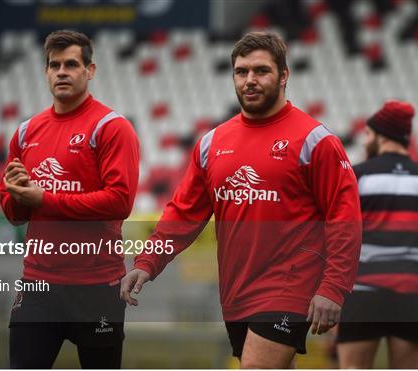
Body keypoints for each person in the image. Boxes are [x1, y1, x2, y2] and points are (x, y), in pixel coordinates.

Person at [121, 31, 362, 369]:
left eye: (261, 71)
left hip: (291, 285)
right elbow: (183, 213)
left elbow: (344, 216)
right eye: (241, 71)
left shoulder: (314, 141)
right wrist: (147, 262)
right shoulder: (212, 143)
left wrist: (333, 286)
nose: (250, 80)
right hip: (236, 292)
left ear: (283, 76)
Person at [0, 30, 139, 369]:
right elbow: (15, 214)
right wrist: (17, 196)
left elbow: (119, 202)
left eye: (72, 64)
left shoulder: (112, 127)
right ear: (46, 72)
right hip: (38, 285)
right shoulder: (25, 132)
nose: (62, 71)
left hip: (97, 289)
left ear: (89, 71)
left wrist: (43, 198)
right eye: (54, 65)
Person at [336, 100, 418, 368]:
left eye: (368, 134)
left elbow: (337, 236)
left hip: (363, 292)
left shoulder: (356, 177)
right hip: (410, 294)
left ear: (380, 136)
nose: (365, 141)